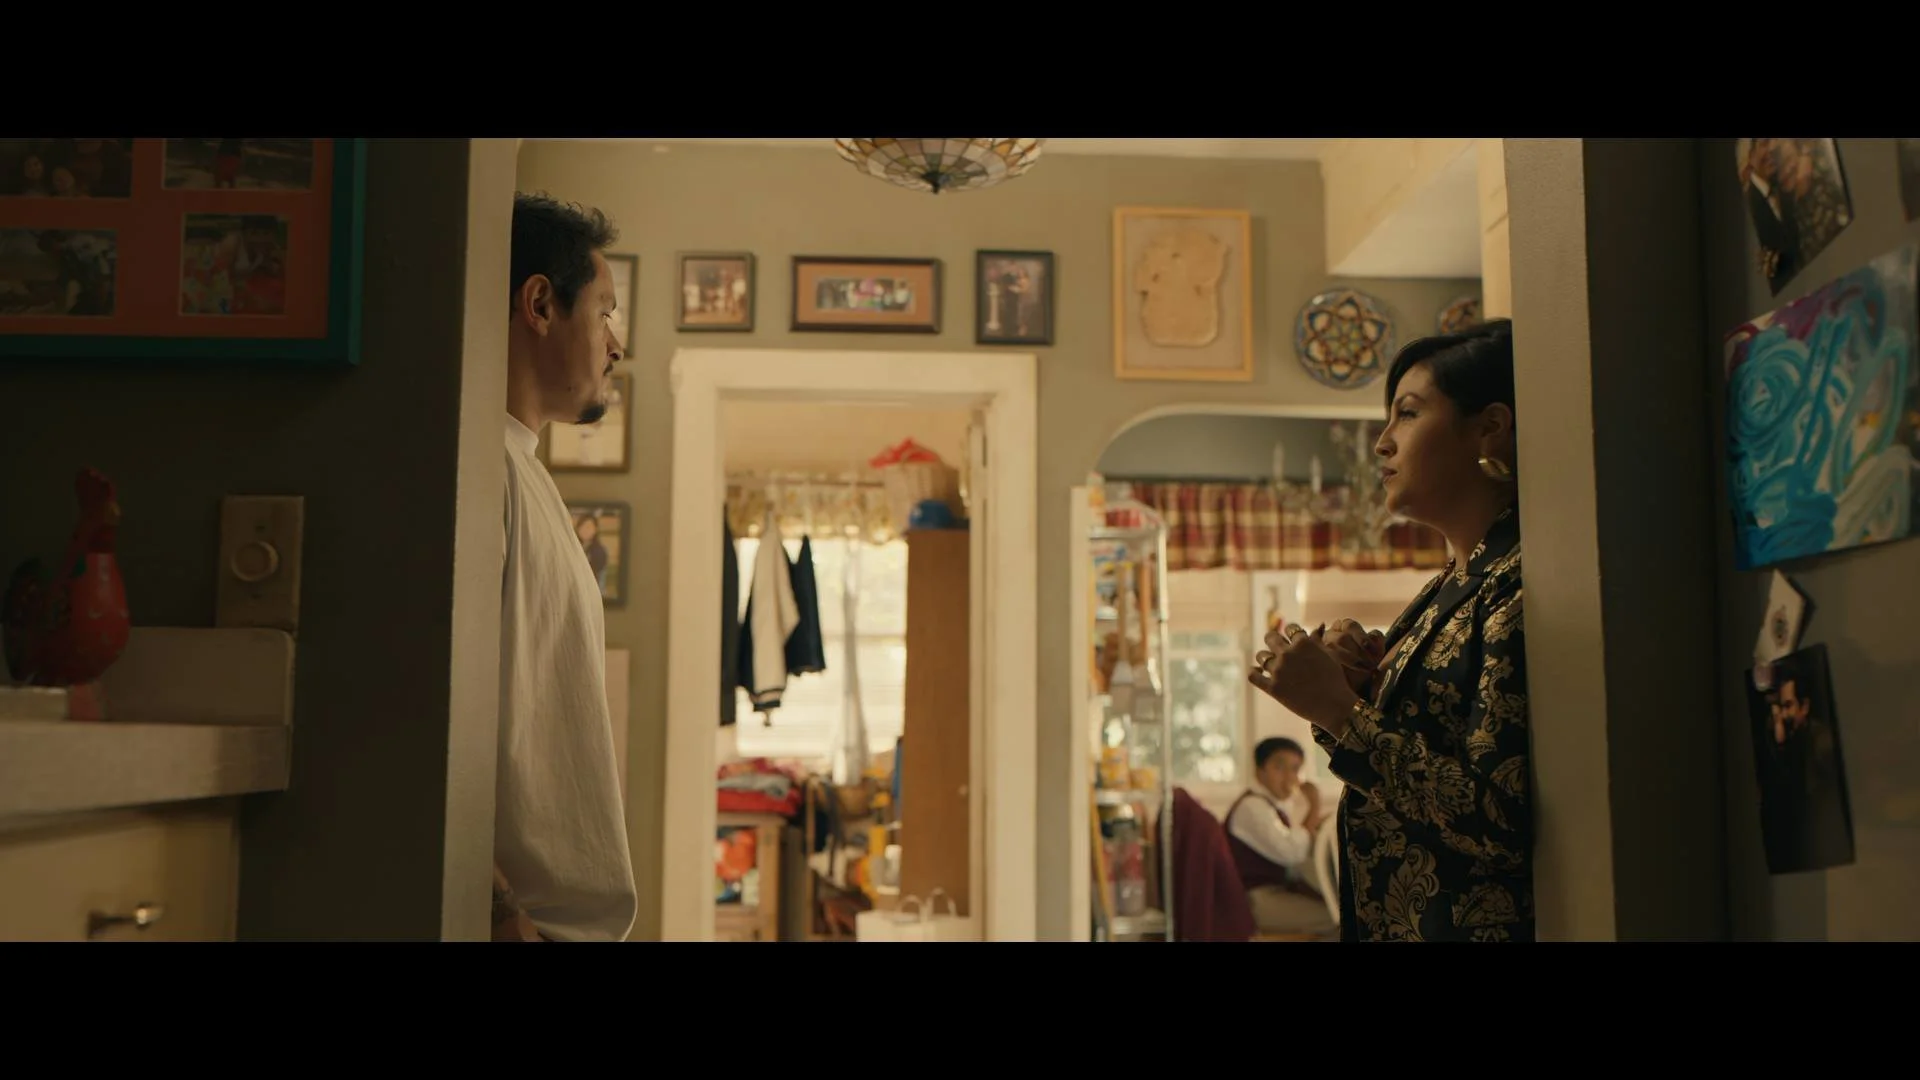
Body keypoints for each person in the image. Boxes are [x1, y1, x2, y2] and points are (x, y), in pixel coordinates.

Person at [1249, 319, 1532, 942]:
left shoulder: (1519, 583)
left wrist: (1338, 708)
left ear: (1490, 427)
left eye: (1407, 413)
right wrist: (1353, 688)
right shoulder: (1447, 586)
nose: (1381, 443)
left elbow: (1500, 823)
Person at [492, 191, 637, 942]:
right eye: (604, 313)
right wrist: (495, 905)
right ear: (541, 305)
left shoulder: (523, 471)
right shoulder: (478, 471)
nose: (615, 345)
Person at [1224, 737, 1335, 936]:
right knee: (1339, 918)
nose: (1289, 776)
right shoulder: (1252, 807)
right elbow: (1292, 852)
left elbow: (1292, 842)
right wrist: (1314, 806)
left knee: (1337, 907)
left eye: (1295, 769)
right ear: (1260, 771)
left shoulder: (1274, 807)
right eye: (1280, 767)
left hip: (1274, 892)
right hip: (1256, 899)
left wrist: (1314, 823)